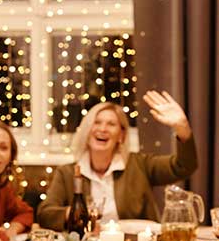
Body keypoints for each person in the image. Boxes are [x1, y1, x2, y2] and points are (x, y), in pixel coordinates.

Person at [37, 91, 198, 230]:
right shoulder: (68, 173)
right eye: (97, 123)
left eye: (111, 124)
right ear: (87, 131)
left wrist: (182, 128)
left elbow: (184, 166)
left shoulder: (140, 165)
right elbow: (45, 214)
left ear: (121, 135)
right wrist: (73, 213)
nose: (102, 129)